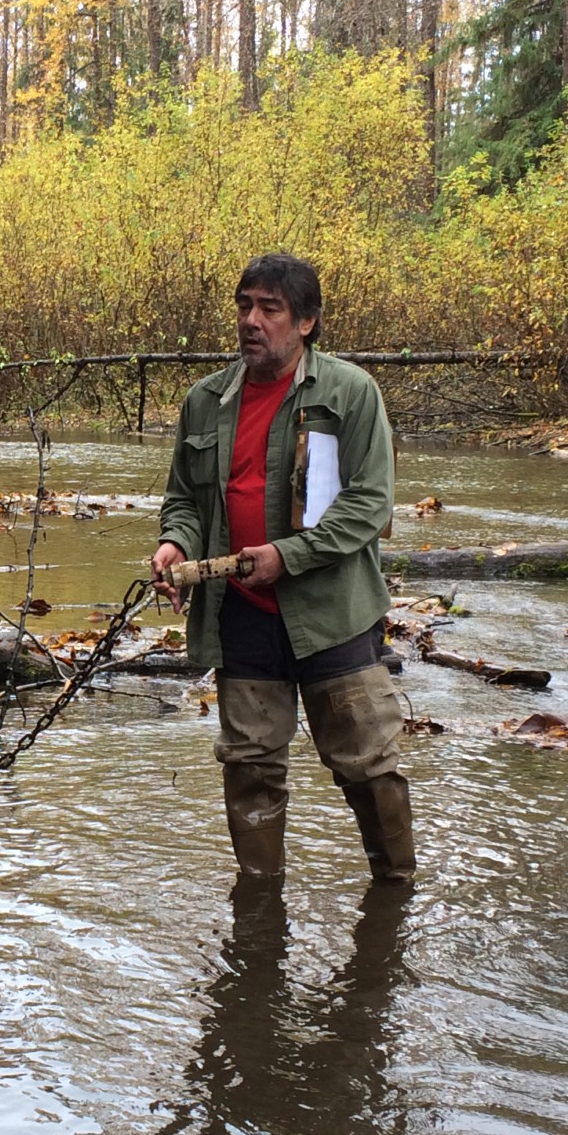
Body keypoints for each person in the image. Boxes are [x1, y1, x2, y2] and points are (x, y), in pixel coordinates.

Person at [150, 253, 411, 885]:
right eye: (244, 305)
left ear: (307, 323)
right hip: (242, 619)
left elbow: (370, 505)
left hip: (333, 617)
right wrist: (175, 546)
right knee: (250, 768)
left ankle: (395, 894)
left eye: (270, 309)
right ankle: (259, 907)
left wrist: (286, 557)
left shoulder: (350, 393)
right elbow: (184, 498)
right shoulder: (205, 401)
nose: (251, 320)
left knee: (367, 766)